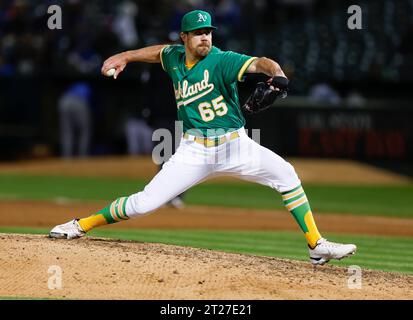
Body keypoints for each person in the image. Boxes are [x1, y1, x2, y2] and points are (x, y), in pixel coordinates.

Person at [50, 10, 356, 266]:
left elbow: (260, 62)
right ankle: (80, 225)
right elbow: (159, 52)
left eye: (208, 31)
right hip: (194, 151)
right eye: (197, 33)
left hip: (236, 146)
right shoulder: (174, 57)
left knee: (287, 174)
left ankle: (316, 245)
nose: (205, 37)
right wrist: (126, 56)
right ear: (184, 38)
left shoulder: (221, 60)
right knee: (143, 204)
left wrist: (276, 76)